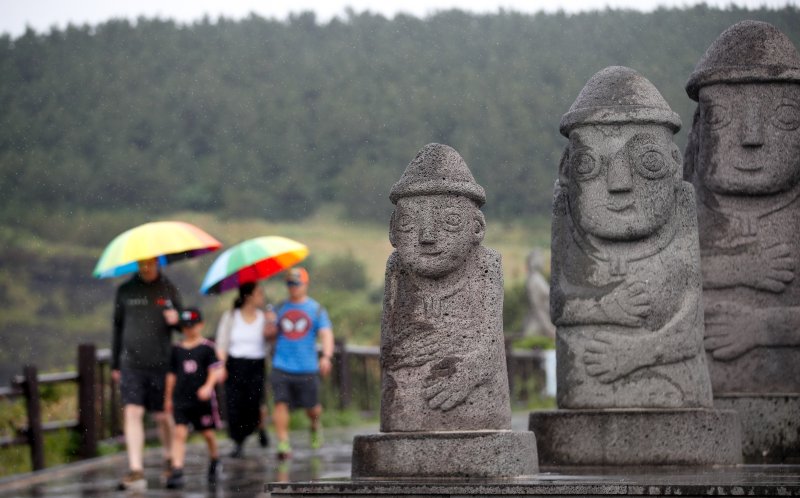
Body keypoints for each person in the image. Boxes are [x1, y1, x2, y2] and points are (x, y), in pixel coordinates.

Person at [112, 257, 181, 491]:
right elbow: (117, 327)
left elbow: (184, 322)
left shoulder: (168, 288)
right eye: (142, 264)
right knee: (133, 411)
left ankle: (170, 456)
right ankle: (136, 468)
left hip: (161, 363)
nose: (147, 268)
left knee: (162, 415)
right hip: (131, 362)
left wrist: (176, 320)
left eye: (150, 263)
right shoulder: (125, 290)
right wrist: (115, 364)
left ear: (157, 262)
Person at [265, 267, 334, 460]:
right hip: (281, 364)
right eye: (289, 283)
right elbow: (268, 336)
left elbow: (326, 334)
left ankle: (315, 425)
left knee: (312, 408)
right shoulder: (279, 308)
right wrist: (270, 323)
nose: (293, 287)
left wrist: (326, 356)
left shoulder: (316, 309)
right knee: (280, 403)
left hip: (307, 366)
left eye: (296, 283)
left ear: (305, 284)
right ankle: (283, 442)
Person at [164, 307, 223, 489]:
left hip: (202, 399)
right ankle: (177, 469)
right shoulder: (176, 349)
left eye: (192, 325)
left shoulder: (207, 348)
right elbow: (172, 375)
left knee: (207, 433)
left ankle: (215, 458)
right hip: (181, 398)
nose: (189, 329)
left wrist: (208, 386)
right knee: (179, 432)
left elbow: (214, 369)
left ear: (200, 325)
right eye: (185, 326)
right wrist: (168, 398)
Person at [215, 282, 273, 458]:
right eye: (258, 293)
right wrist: (221, 365)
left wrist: (271, 323)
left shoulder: (264, 317)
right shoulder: (231, 317)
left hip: (256, 364)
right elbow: (222, 343)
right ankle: (238, 441)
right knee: (234, 404)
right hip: (235, 364)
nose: (261, 297)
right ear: (248, 296)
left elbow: (271, 340)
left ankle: (258, 428)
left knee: (254, 403)